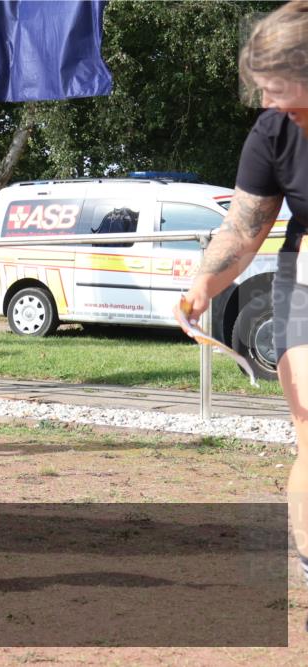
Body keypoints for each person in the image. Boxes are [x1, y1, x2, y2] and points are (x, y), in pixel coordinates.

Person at [177, 1, 308, 588]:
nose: (267, 106)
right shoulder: (275, 131)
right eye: (261, 91)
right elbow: (244, 225)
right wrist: (204, 282)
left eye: (279, 91)